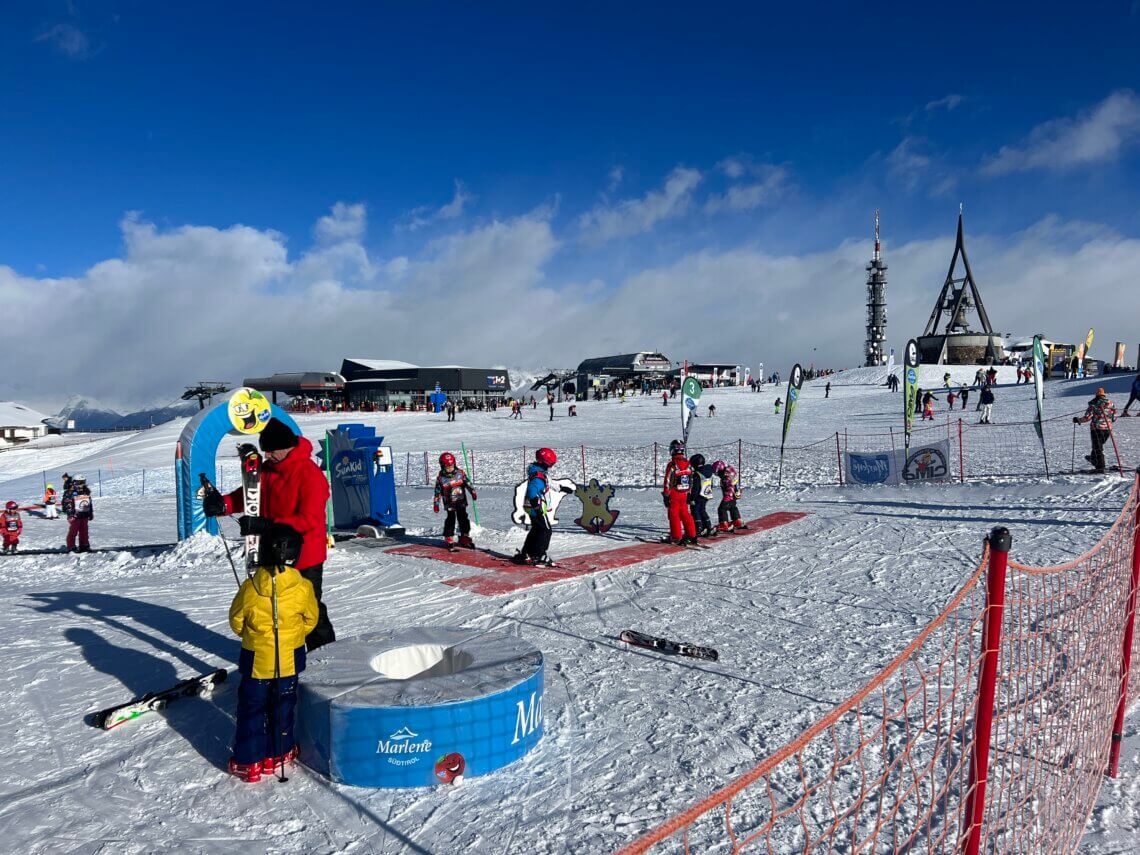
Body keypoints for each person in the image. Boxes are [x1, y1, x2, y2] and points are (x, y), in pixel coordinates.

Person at [204, 418, 334, 650]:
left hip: (303, 556)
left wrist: (266, 525)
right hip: (270, 551)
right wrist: (222, 504)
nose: (267, 456)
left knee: (308, 608)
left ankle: (325, 655)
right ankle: (280, 656)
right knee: (271, 607)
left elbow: (309, 520)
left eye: (272, 451)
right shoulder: (268, 470)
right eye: (265, 451)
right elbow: (248, 494)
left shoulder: (310, 475)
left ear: (287, 447)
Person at [227, 524, 318, 783]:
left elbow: (236, 621)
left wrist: (250, 634)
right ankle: (278, 753)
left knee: (252, 708)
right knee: (283, 705)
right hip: (289, 658)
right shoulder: (303, 587)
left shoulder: (250, 587)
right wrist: (296, 634)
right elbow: (311, 618)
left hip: (256, 659)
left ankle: (249, 761)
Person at [513, 448, 569, 566]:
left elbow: (549, 482)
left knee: (536, 529)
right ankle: (538, 555)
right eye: (551, 464)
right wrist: (536, 505)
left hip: (531, 505)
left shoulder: (539, 472)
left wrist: (561, 488)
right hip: (535, 506)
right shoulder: (538, 476)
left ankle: (526, 553)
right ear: (545, 462)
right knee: (546, 530)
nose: (552, 466)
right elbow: (532, 491)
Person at [433, 452, 477, 549]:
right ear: (442, 466)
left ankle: (464, 536)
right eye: (447, 466)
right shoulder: (441, 478)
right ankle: (449, 536)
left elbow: (468, 483)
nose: (450, 468)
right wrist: (436, 504)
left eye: (451, 466)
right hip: (449, 503)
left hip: (461, 501)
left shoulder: (460, 474)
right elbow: (437, 492)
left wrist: (472, 492)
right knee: (450, 519)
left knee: (463, 518)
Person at [661, 440, 698, 546]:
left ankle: (676, 536)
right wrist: (689, 492)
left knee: (674, 515)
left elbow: (667, 480)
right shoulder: (688, 464)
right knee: (685, 513)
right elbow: (691, 479)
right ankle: (692, 535)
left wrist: (666, 494)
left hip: (674, 493)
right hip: (684, 493)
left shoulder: (672, 465)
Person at [1074, 388, 1117, 473]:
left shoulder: (1093, 405)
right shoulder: (1111, 404)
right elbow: (1114, 417)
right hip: (1108, 429)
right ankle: (1094, 458)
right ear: (1104, 395)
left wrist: (1078, 420)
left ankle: (1100, 467)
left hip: (1096, 429)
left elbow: (1087, 417)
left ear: (1096, 395)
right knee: (1098, 446)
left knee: (1098, 447)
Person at [63, 474, 94, 552]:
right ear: (74, 483)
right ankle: (71, 546)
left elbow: (89, 503)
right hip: (75, 515)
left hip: (84, 514)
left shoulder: (86, 491)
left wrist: (90, 513)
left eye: (83, 482)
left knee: (84, 531)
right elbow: (66, 503)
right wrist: (70, 514)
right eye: (79, 482)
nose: (81, 485)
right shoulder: (70, 492)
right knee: (73, 531)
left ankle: (84, 545)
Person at [688, 454, 716, 538]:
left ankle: (698, 528)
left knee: (695, 511)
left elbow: (695, 487)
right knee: (702, 510)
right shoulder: (708, 471)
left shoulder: (698, 474)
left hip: (698, 495)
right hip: (706, 494)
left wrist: (692, 498)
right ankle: (707, 526)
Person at [713, 460, 745, 532]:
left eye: (718, 473)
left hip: (729, 495)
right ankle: (737, 521)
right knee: (732, 507)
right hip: (735, 493)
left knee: (722, 509)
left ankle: (723, 524)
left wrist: (727, 497)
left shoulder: (726, 477)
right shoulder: (731, 471)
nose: (718, 475)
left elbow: (730, 487)